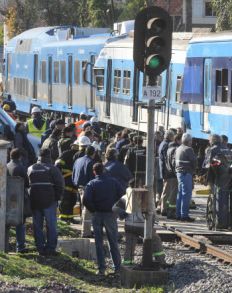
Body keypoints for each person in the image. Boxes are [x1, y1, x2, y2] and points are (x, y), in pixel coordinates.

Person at [83, 162, 124, 275]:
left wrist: (93, 210)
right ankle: (117, 268)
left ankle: (101, 269)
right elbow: (123, 196)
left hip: (97, 215)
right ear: (104, 170)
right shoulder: (114, 182)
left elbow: (85, 200)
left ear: (94, 172)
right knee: (113, 242)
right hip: (110, 214)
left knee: (99, 243)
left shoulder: (91, 184)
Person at [27, 149, 64, 255]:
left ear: (39, 156)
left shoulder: (30, 169)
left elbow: (27, 185)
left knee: (37, 225)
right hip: (49, 201)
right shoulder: (53, 169)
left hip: (34, 201)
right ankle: (51, 248)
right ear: (49, 156)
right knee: (51, 225)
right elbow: (60, 185)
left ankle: (40, 248)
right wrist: (56, 198)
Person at [7, 148, 29, 253]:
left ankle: (5, 245)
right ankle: (20, 247)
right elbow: (27, 184)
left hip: (7, 199)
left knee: (6, 223)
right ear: (19, 157)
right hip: (19, 198)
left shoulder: (6, 166)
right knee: (20, 222)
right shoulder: (20, 168)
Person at [72, 146, 95, 237]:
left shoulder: (78, 160)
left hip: (78, 186)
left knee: (83, 208)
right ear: (93, 153)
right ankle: (86, 232)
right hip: (86, 187)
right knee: (87, 210)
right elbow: (92, 178)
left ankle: (84, 228)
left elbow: (74, 173)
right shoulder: (90, 162)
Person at [55, 140, 80, 223]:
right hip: (68, 180)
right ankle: (64, 218)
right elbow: (58, 164)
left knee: (72, 199)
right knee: (67, 199)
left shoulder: (76, 154)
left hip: (71, 180)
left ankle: (69, 217)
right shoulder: (66, 154)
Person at [175, 133, 196, 222]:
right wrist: (194, 171)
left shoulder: (178, 148)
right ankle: (184, 215)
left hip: (179, 173)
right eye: (191, 141)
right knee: (186, 194)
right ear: (189, 141)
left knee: (180, 194)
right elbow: (194, 162)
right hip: (186, 173)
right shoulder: (189, 149)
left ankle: (178, 214)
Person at [165, 134, 182, 219]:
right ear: (178, 140)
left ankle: (166, 209)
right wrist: (177, 172)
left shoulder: (169, 148)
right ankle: (171, 212)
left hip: (168, 173)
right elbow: (174, 162)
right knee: (173, 194)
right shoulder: (176, 149)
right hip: (173, 174)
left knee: (169, 193)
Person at [158, 129, 175, 216]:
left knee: (165, 190)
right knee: (166, 190)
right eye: (173, 136)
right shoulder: (166, 145)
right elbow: (166, 159)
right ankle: (163, 209)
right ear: (170, 136)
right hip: (166, 171)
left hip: (164, 170)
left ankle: (161, 206)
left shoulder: (163, 143)